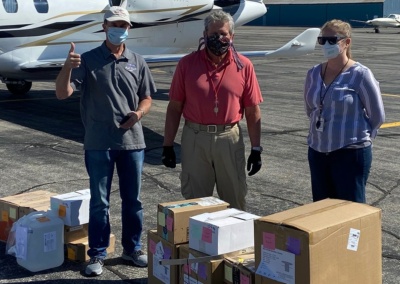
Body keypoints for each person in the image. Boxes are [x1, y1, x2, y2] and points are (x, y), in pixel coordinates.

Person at [55, 6, 156, 277]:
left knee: (133, 200)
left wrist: (139, 113)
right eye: (114, 24)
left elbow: (147, 97)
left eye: (123, 25)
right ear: (104, 26)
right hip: (99, 143)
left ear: (129, 29)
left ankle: (132, 249)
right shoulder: (87, 60)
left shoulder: (138, 61)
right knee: (100, 202)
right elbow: (63, 93)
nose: (118, 29)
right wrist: (67, 66)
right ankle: (97, 254)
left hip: (132, 143)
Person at [161, 10, 263, 211]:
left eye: (224, 34)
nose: (219, 38)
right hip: (195, 137)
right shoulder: (187, 64)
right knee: (195, 203)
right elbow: (174, 108)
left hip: (229, 138)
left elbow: (252, 111)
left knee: (235, 198)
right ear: (205, 35)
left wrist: (256, 148)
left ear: (232, 37)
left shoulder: (244, 66)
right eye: (214, 34)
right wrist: (167, 145)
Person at [304, 19, 385, 203]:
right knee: (321, 208)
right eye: (322, 40)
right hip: (318, 151)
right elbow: (311, 109)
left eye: (332, 40)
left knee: (351, 211)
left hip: (350, 153)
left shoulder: (360, 74)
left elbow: (377, 116)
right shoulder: (313, 73)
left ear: (346, 42)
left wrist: (360, 140)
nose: (326, 45)